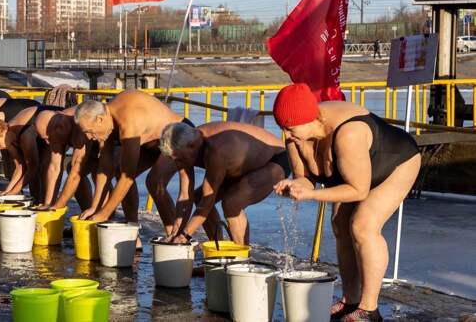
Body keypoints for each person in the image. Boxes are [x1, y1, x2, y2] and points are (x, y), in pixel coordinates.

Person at [271, 84, 420, 322]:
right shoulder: (295, 135)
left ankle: (368, 309)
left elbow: (358, 190)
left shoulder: (348, 133)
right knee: (340, 224)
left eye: (289, 128)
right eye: (282, 128)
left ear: (310, 119)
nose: (286, 135)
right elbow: (306, 179)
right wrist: (296, 186)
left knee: (363, 225)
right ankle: (350, 300)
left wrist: (310, 195)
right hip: (354, 172)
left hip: (396, 162)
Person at [73, 90, 194, 234]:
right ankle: (133, 232)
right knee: (118, 170)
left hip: (177, 134)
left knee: (154, 181)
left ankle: (175, 235)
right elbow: (105, 168)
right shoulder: (108, 120)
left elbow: (128, 177)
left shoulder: (128, 123)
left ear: (99, 119)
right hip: (151, 143)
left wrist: (104, 214)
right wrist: (95, 207)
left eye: (90, 131)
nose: (89, 137)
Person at [159, 121, 290, 245]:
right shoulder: (185, 145)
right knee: (198, 197)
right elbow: (185, 195)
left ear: (192, 146)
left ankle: (241, 261)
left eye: (180, 159)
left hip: (277, 158)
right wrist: (176, 232)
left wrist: (185, 235)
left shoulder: (216, 150)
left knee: (232, 203)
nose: (178, 164)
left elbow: (208, 201)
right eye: (174, 160)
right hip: (242, 165)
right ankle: (218, 251)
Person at [0, 104, 66, 203]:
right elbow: (20, 167)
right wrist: (7, 191)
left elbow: (32, 167)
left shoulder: (24, 136)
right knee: (33, 174)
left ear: (4, 131)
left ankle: (49, 204)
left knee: (45, 167)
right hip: (36, 131)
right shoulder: (8, 139)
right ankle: (36, 203)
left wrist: (14, 192)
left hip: (57, 123)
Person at [32, 108, 94, 211]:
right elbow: (54, 167)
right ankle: (87, 212)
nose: (48, 143)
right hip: (88, 142)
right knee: (70, 168)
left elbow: (76, 173)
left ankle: (106, 217)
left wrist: (58, 206)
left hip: (114, 143)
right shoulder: (55, 127)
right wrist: (48, 203)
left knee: (99, 172)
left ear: (61, 127)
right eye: (45, 139)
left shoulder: (80, 126)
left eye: (49, 138)